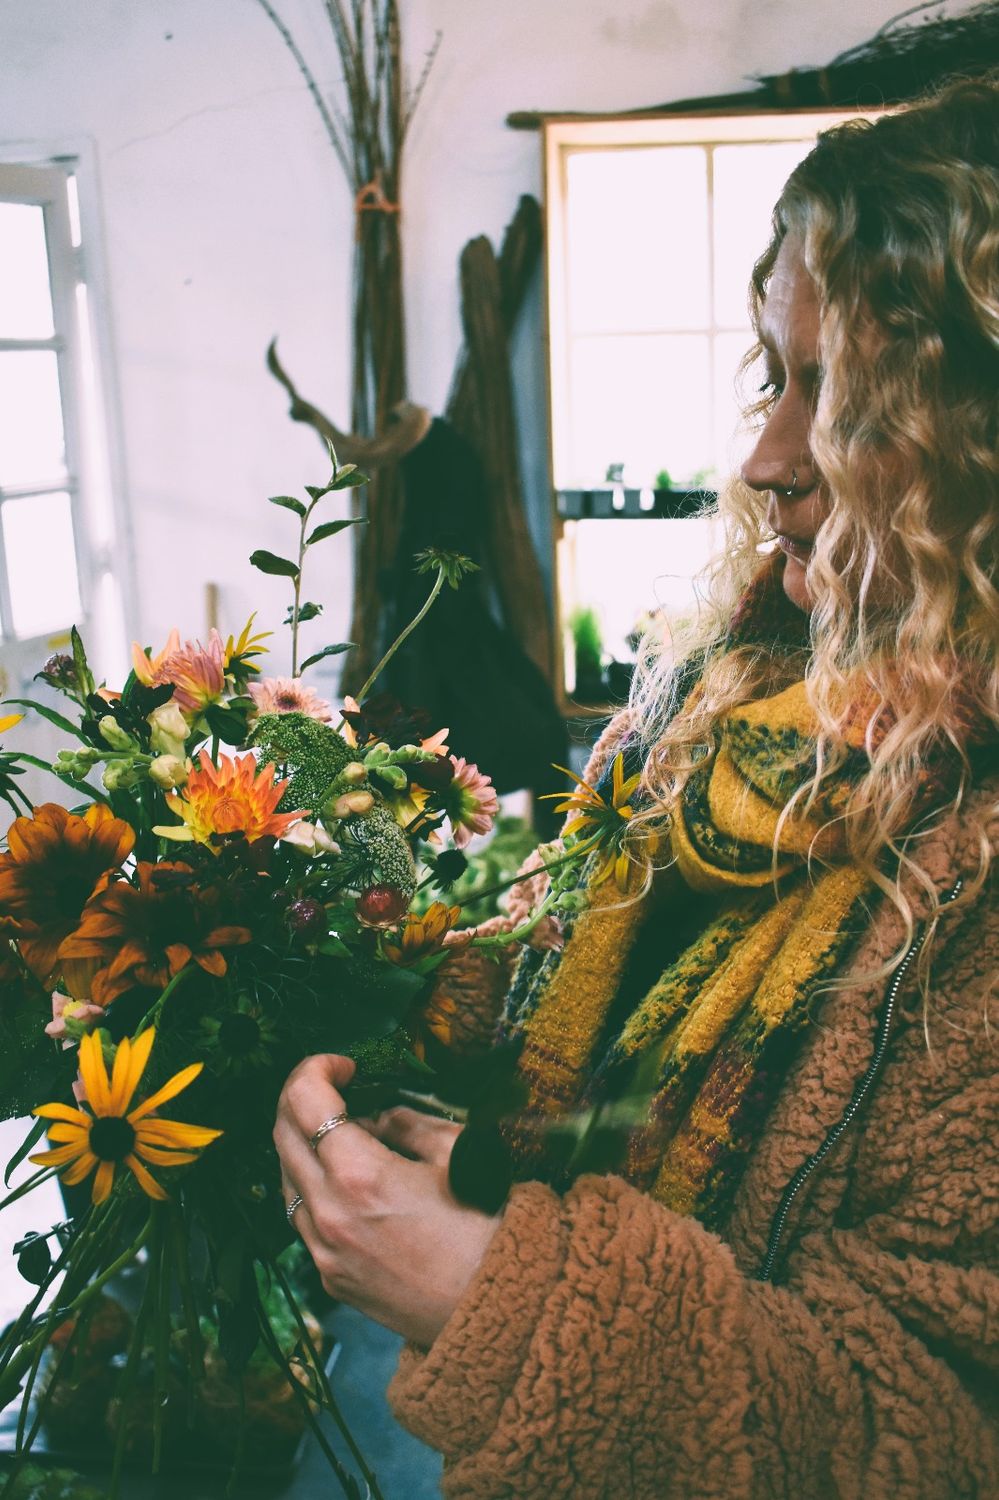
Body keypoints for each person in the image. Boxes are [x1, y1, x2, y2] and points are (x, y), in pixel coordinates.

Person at [274, 75, 999, 1498]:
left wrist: (494, 1298)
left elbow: (924, 1437)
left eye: (846, 400)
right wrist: (311, 961)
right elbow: (554, 969)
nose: (770, 461)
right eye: (774, 376)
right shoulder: (725, 682)